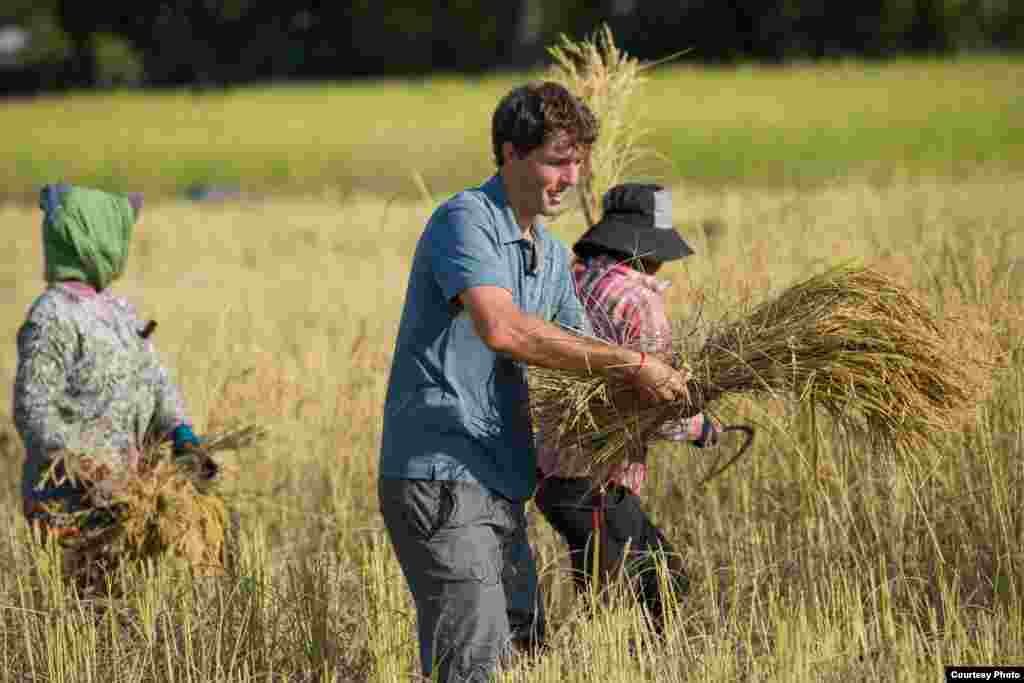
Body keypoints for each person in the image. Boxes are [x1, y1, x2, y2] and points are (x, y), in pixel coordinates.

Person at [378, 83, 692, 683]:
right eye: (555, 160)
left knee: (522, 655)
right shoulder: (464, 222)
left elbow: (581, 367)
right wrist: (632, 365)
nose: (571, 177)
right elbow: (504, 328)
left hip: (503, 482)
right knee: (474, 664)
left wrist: (676, 391)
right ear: (509, 153)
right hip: (442, 474)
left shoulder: (547, 256)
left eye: (577, 162)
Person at [535, 182, 721, 633]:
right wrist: (699, 426)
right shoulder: (639, 302)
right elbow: (651, 403)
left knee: (631, 593)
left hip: (551, 471)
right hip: (596, 478)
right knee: (641, 597)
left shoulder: (575, 280)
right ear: (645, 246)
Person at [13, 183, 205, 580]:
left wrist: (180, 430)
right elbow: (35, 414)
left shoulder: (117, 312)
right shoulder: (52, 318)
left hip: (124, 507)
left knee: (127, 616)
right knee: (85, 622)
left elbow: (153, 378)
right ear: (92, 237)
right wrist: (93, 469)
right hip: (71, 512)